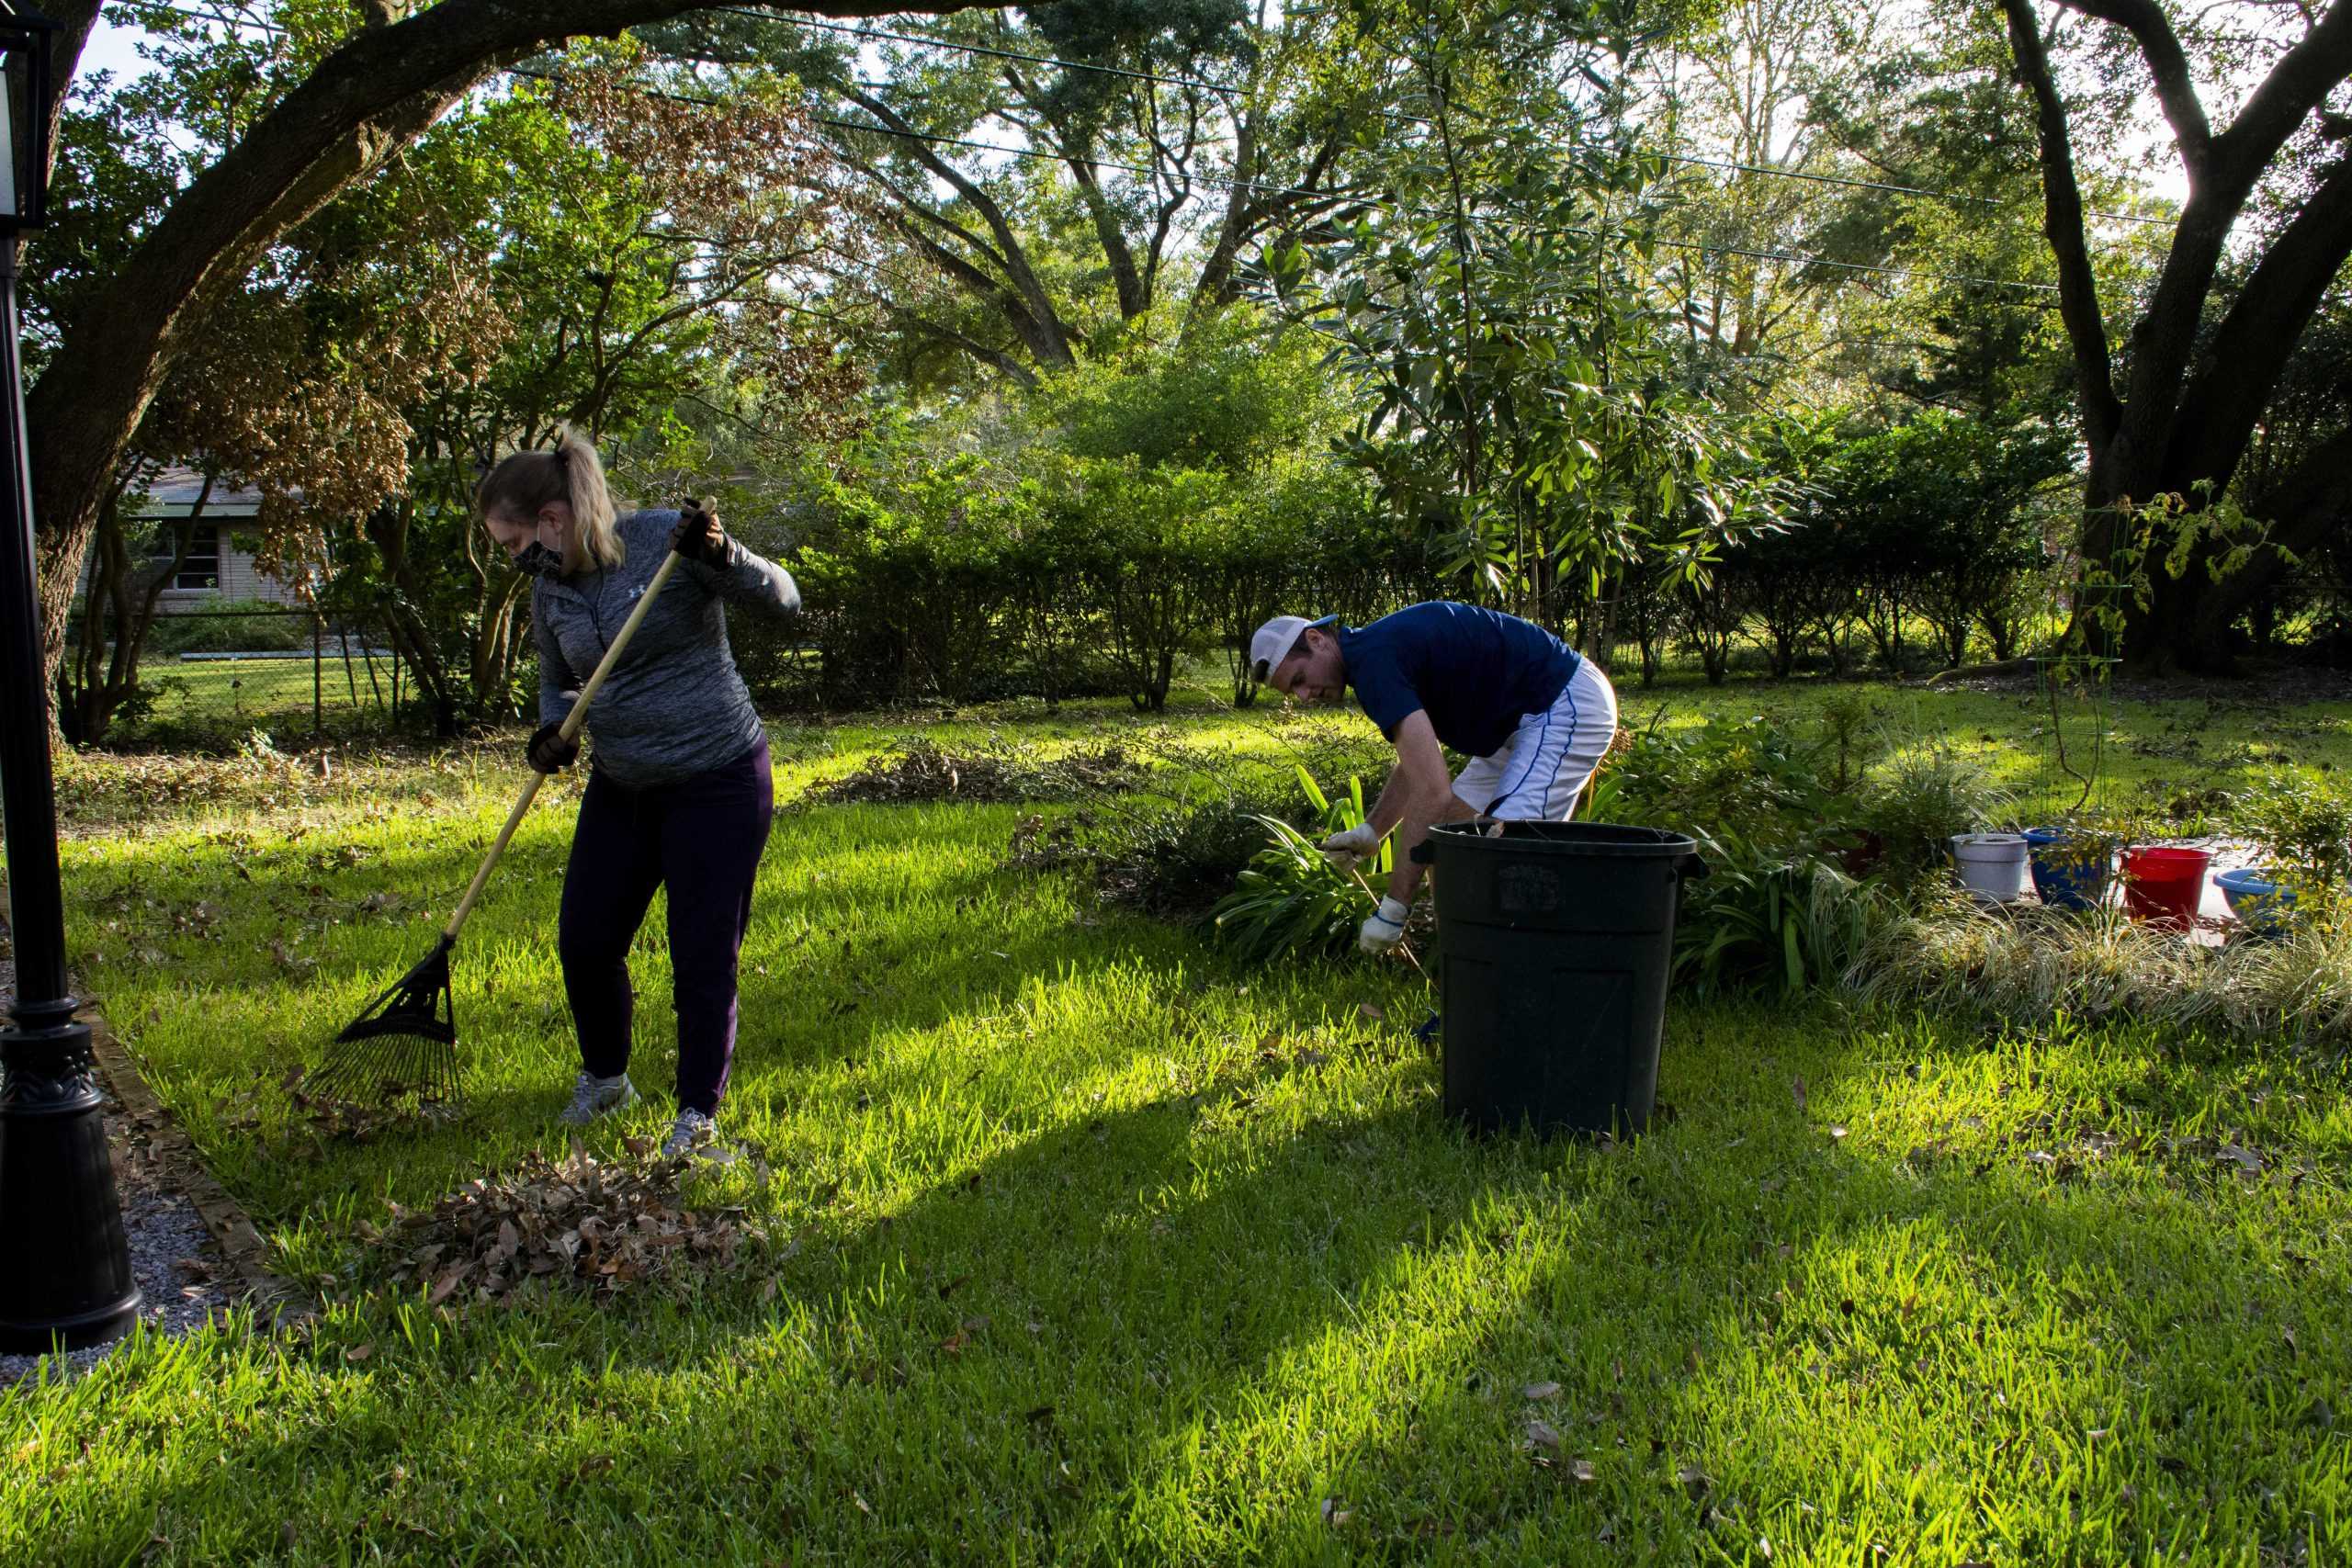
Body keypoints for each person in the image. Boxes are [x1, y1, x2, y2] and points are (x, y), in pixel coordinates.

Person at [476, 429, 800, 1157]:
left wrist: (727, 556)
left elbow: (785, 596)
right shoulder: (549, 586)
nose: (512, 557)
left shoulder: (665, 541)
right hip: (623, 784)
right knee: (586, 940)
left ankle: (696, 1116)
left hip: (716, 777)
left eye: (513, 539)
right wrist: (553, 731)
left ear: (553, 520)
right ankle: (607, 1080)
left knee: (702, 952)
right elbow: (557, 678)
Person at [1249, 602, 1618, 953]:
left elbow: (1432, 790)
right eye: (1291, 691)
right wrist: (1372, 831)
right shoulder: (1372, 656)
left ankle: (1529, 994)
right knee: (1449, 849)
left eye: (1299, 678)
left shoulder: (1375, 662)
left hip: (1561, 702)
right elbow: (1419, 764)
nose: (1304, 695)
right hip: (1517, 725)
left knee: (1500, 860)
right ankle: (1466, 987)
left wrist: (1393, 909)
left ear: (1316, 639)